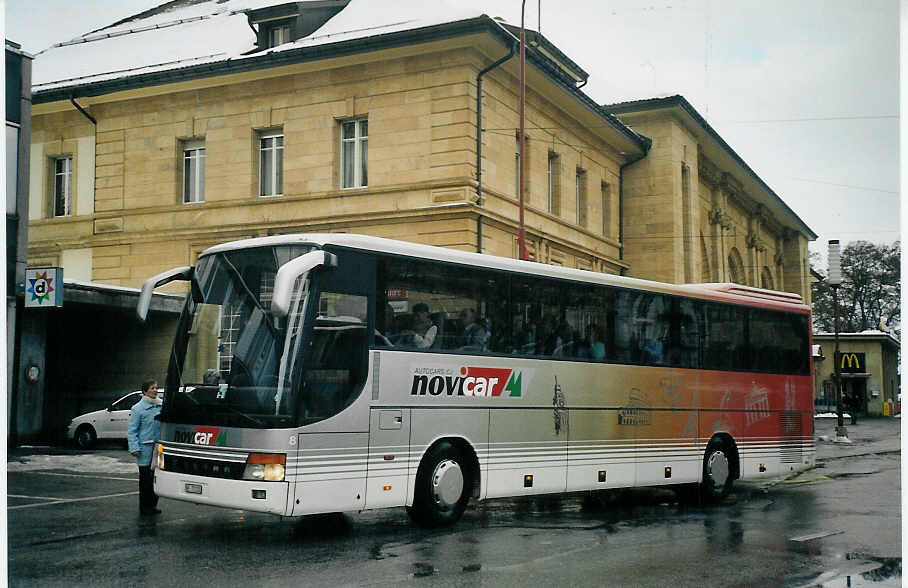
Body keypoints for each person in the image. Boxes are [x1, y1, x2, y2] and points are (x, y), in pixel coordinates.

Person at [128, 379, 163, 515]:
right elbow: (132, 431)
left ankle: (153, 505)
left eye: (156, 387)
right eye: (152, 388)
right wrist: (134, 448)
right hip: (145, 449)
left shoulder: (161, 406)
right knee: (145, 480)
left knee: (158, 477)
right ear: (145, 391)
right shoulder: (137, 409)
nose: (155, 390)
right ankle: (145, 507)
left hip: (159, 449)